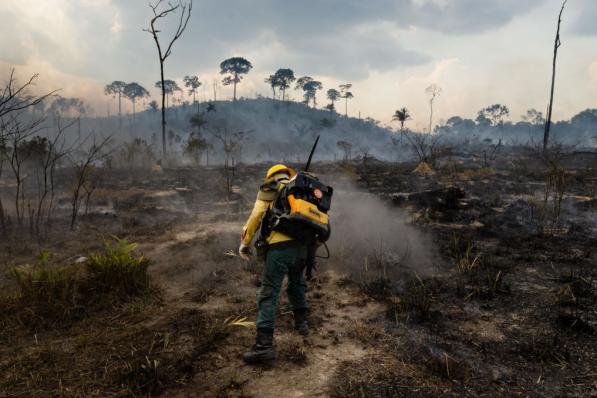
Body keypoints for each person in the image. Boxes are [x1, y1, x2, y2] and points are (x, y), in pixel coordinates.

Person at [239, 164, 310, 364]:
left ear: (271, 176)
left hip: (280, 248)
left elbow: (256, 217)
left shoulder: (270, 188)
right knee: (296, 284)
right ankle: (302, 323)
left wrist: (245, 243)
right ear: (288, 175)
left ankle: (263, 347)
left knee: (268, 292)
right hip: (303, 248)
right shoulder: (302, 190)